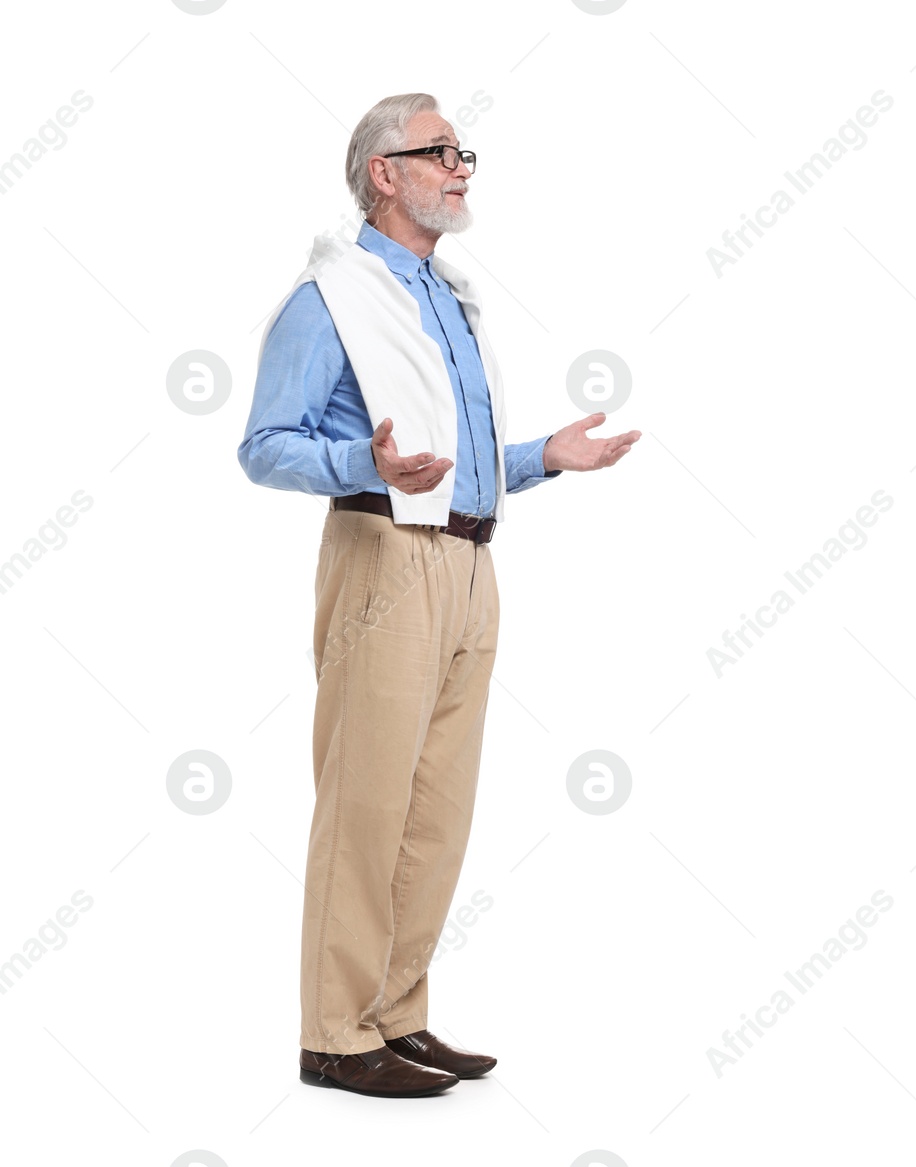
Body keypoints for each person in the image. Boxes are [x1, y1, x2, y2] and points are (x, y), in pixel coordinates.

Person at [238, 92, 640, 1099]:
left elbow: (449, 458)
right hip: (384, 557)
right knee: (365, 805)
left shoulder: (447, 298)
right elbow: (264, 447)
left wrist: (541, 456)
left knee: (434, 810)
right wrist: (361, 466)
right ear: (385, 172)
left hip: (468, 562)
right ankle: (334, 1033)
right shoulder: (330, 297)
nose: (462, 166)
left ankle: (395, 1014)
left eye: (465, 152)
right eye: (440, 152)